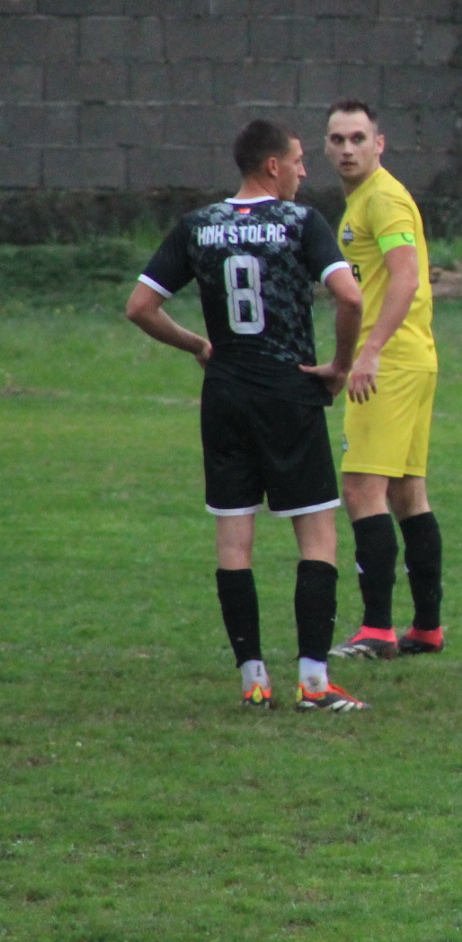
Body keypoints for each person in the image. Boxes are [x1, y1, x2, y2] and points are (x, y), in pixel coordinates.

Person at [125, 119, 367, 712]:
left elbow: (140, 307)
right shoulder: (300, 223)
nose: (305, 171)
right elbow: (351, 296)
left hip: (226, 392)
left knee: (234, 538)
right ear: (273, 166)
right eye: (300, 160)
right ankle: (314, 682)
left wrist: (197, 345)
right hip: (288, 389)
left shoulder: (198, 225)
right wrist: (340, 365)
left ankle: (253, 680)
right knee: (317, 532)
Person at [321, 100, 444, 662]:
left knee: (361, 490)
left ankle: (376, 629)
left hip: (389, 362)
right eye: (337, 139)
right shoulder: (364, 200)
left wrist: (368, 352)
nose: (347, 149)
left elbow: (406, 277)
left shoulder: (384, 199)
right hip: (409, 357)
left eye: (357, 138)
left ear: (380, 143)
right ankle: (427, 628)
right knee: (406, 492)